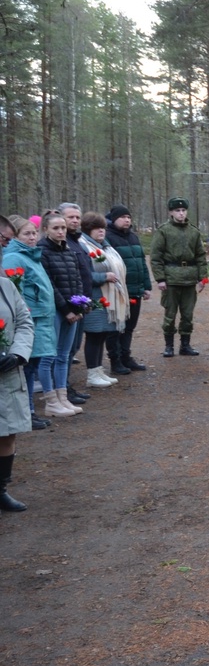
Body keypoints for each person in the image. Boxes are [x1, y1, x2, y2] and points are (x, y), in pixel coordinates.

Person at [3, 217, 55, 429]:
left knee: (32, 366)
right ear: (15, 236)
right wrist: (28, 313)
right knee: (26, 367)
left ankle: (30, 411)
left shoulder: (31, 256)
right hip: (31, 318)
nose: (33, 237)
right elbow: (16, 293)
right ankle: (26, 412)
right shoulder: (14, 258)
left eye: (35, 233)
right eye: (27, 234)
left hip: (41, 318)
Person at [36, 212, 85, 416]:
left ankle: (62, 397)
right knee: (49, 356)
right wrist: (65, 310)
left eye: (63, 228)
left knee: (64, 355)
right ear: (46, 229)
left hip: (72, 310)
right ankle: (51, 400)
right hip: (55, 311)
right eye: (56, 228)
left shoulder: (69, 250)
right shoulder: (42, 251)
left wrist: (79, 306)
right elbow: (49, 284)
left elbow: (77, 279)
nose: (61, 231)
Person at [76, 212, 129, 387]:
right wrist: (103, 277)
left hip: (109, 297)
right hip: (95, 297)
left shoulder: (105, 247)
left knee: (102, 335)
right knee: (94, 335)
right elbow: (83, 274)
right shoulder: (83, 246)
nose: (101, 232)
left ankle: (99, 370)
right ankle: (92, 374)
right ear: (87, 229)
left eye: (103, 228)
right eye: (96, 228)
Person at [150, 197, 207, 357]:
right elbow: (156, 256)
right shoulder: (164, 231)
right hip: (171, 279)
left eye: (183, 210)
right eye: (177, 211)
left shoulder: (194, 231)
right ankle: (169, 346)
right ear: (171, 212)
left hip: (189, 279)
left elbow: (200, 256)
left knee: (187, 314)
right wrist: (160, 278)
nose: (181, 214)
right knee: (170, 314)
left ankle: (185, 345)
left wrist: (202, 277)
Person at [0, 268, 34, 512]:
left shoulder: (6, 286)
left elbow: (24, 321)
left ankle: (0, 490)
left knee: (7, 432)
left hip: (7, 372)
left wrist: (17, 354)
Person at [104, 205, 151, 374]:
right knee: (116, 327)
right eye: (123, 217)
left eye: (129, 217)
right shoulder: (107, 238)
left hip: (135, 290)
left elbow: (141, 264)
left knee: (129, 326)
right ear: (114, 219)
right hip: (117, 291)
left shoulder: (133, 237)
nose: (127, 220)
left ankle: (126, 357)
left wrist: (146, 286)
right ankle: (115, 360)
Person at [58, 203, 94, 404]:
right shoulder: (62, 245)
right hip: (68, 306)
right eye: (70, 217)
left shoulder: (77, 242)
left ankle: (66, 386)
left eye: (77, 217)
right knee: (64, 350)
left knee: (72, 349)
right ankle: (61, 388)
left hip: (81, 304)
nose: (74, 221)